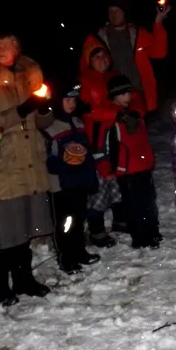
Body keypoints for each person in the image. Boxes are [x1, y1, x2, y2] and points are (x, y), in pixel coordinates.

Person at [0, 34, 55, 304]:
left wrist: (43, 108)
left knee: (25, 228)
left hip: (30, 162)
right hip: (4, 165)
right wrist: (21, 110)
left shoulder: (28, 75)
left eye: (4, 46)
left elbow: (43, 122)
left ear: (15, 48)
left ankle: (23, 280)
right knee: (7, 233)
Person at [78, 40, 145, 245]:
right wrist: (114, 114)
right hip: (96, 138)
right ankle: (96, 229)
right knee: (100, 185)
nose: (102, 60)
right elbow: (86, 110)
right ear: (88, 60)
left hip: (118, 136)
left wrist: (134, 113)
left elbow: (135, 97)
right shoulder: (83, 81)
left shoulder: (115, 77)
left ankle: (120, 220)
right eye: (97, 57)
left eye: (104, 55)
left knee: (118, 180)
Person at [43, 85, 101, 274]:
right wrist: (65, 164)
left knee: (79, 218)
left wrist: (92, 178)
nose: (71, 103)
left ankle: (79, 251)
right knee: (65, 222)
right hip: (61, 185)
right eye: (67, 100)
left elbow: (87, 155)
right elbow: (47, 159)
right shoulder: (50, 128)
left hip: (79, 182)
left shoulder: (78, 123)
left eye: (74, 100)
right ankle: (66, 257)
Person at [101, 75, 161, 249]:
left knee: (149, 200)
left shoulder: (135, 114)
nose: (127, 96)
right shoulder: (112, 118)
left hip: (143, 166)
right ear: (114, 96)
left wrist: (149, 159)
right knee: (134, 205)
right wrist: (108, 167)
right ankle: (140, 237)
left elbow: (143, 141)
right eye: (123, 94)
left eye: (128, 92)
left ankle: (152, 230)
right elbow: (106, 146)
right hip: (126, 170)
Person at [81, 0, 169, 114]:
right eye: (111, 11)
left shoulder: (137, 33)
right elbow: (86, 68)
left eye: (117, 11)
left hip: (141, 95)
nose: (114, 14)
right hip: (114, 99)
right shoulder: (99, 38)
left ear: (124, 12)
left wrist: (158, 22)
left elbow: (159, 52)